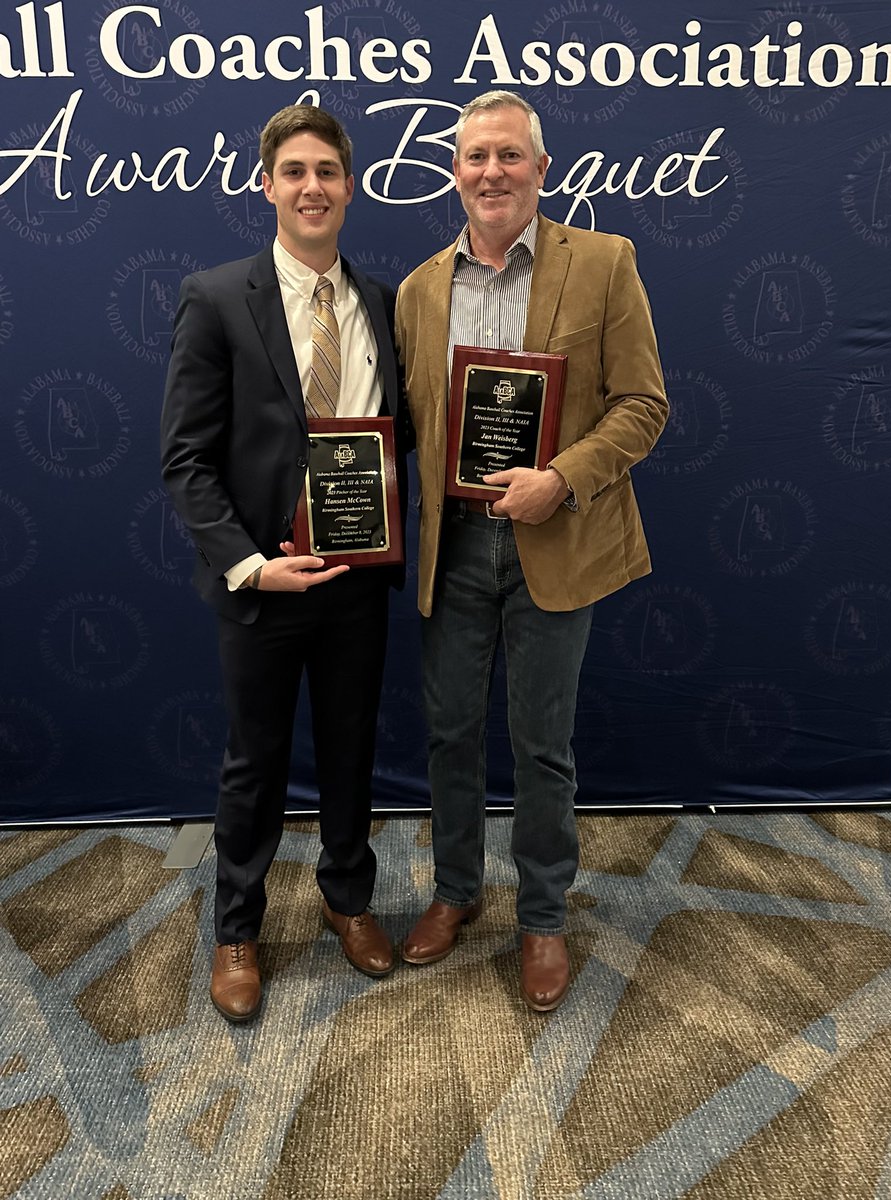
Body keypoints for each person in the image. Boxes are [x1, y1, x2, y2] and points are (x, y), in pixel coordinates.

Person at [395, 90, 667, 1012]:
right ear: (455, 172)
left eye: (510, 156)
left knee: (543, 744)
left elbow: (643, 405)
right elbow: (407, 429)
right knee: (449, 733)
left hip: (558, 540)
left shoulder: (603, 263)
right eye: (475, 157)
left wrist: (563, 477)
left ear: (542, 171)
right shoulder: (419, 290)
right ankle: (458, 892)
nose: (492, 173)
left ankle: (543, 916)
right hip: (457, 548)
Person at [161, 104, 406, 1023]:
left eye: (328, 172)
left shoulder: (380, 303)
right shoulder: (217, 296)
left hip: (357, 582)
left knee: (351, 750)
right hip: (260, 586)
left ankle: (348, 899)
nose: (312, 187)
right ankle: (237, 927)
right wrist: (249, 564)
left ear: (351, 185)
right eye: (294, 171)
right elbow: (185, 457)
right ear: (268, 184)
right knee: (254, 763)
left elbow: (398, 437)